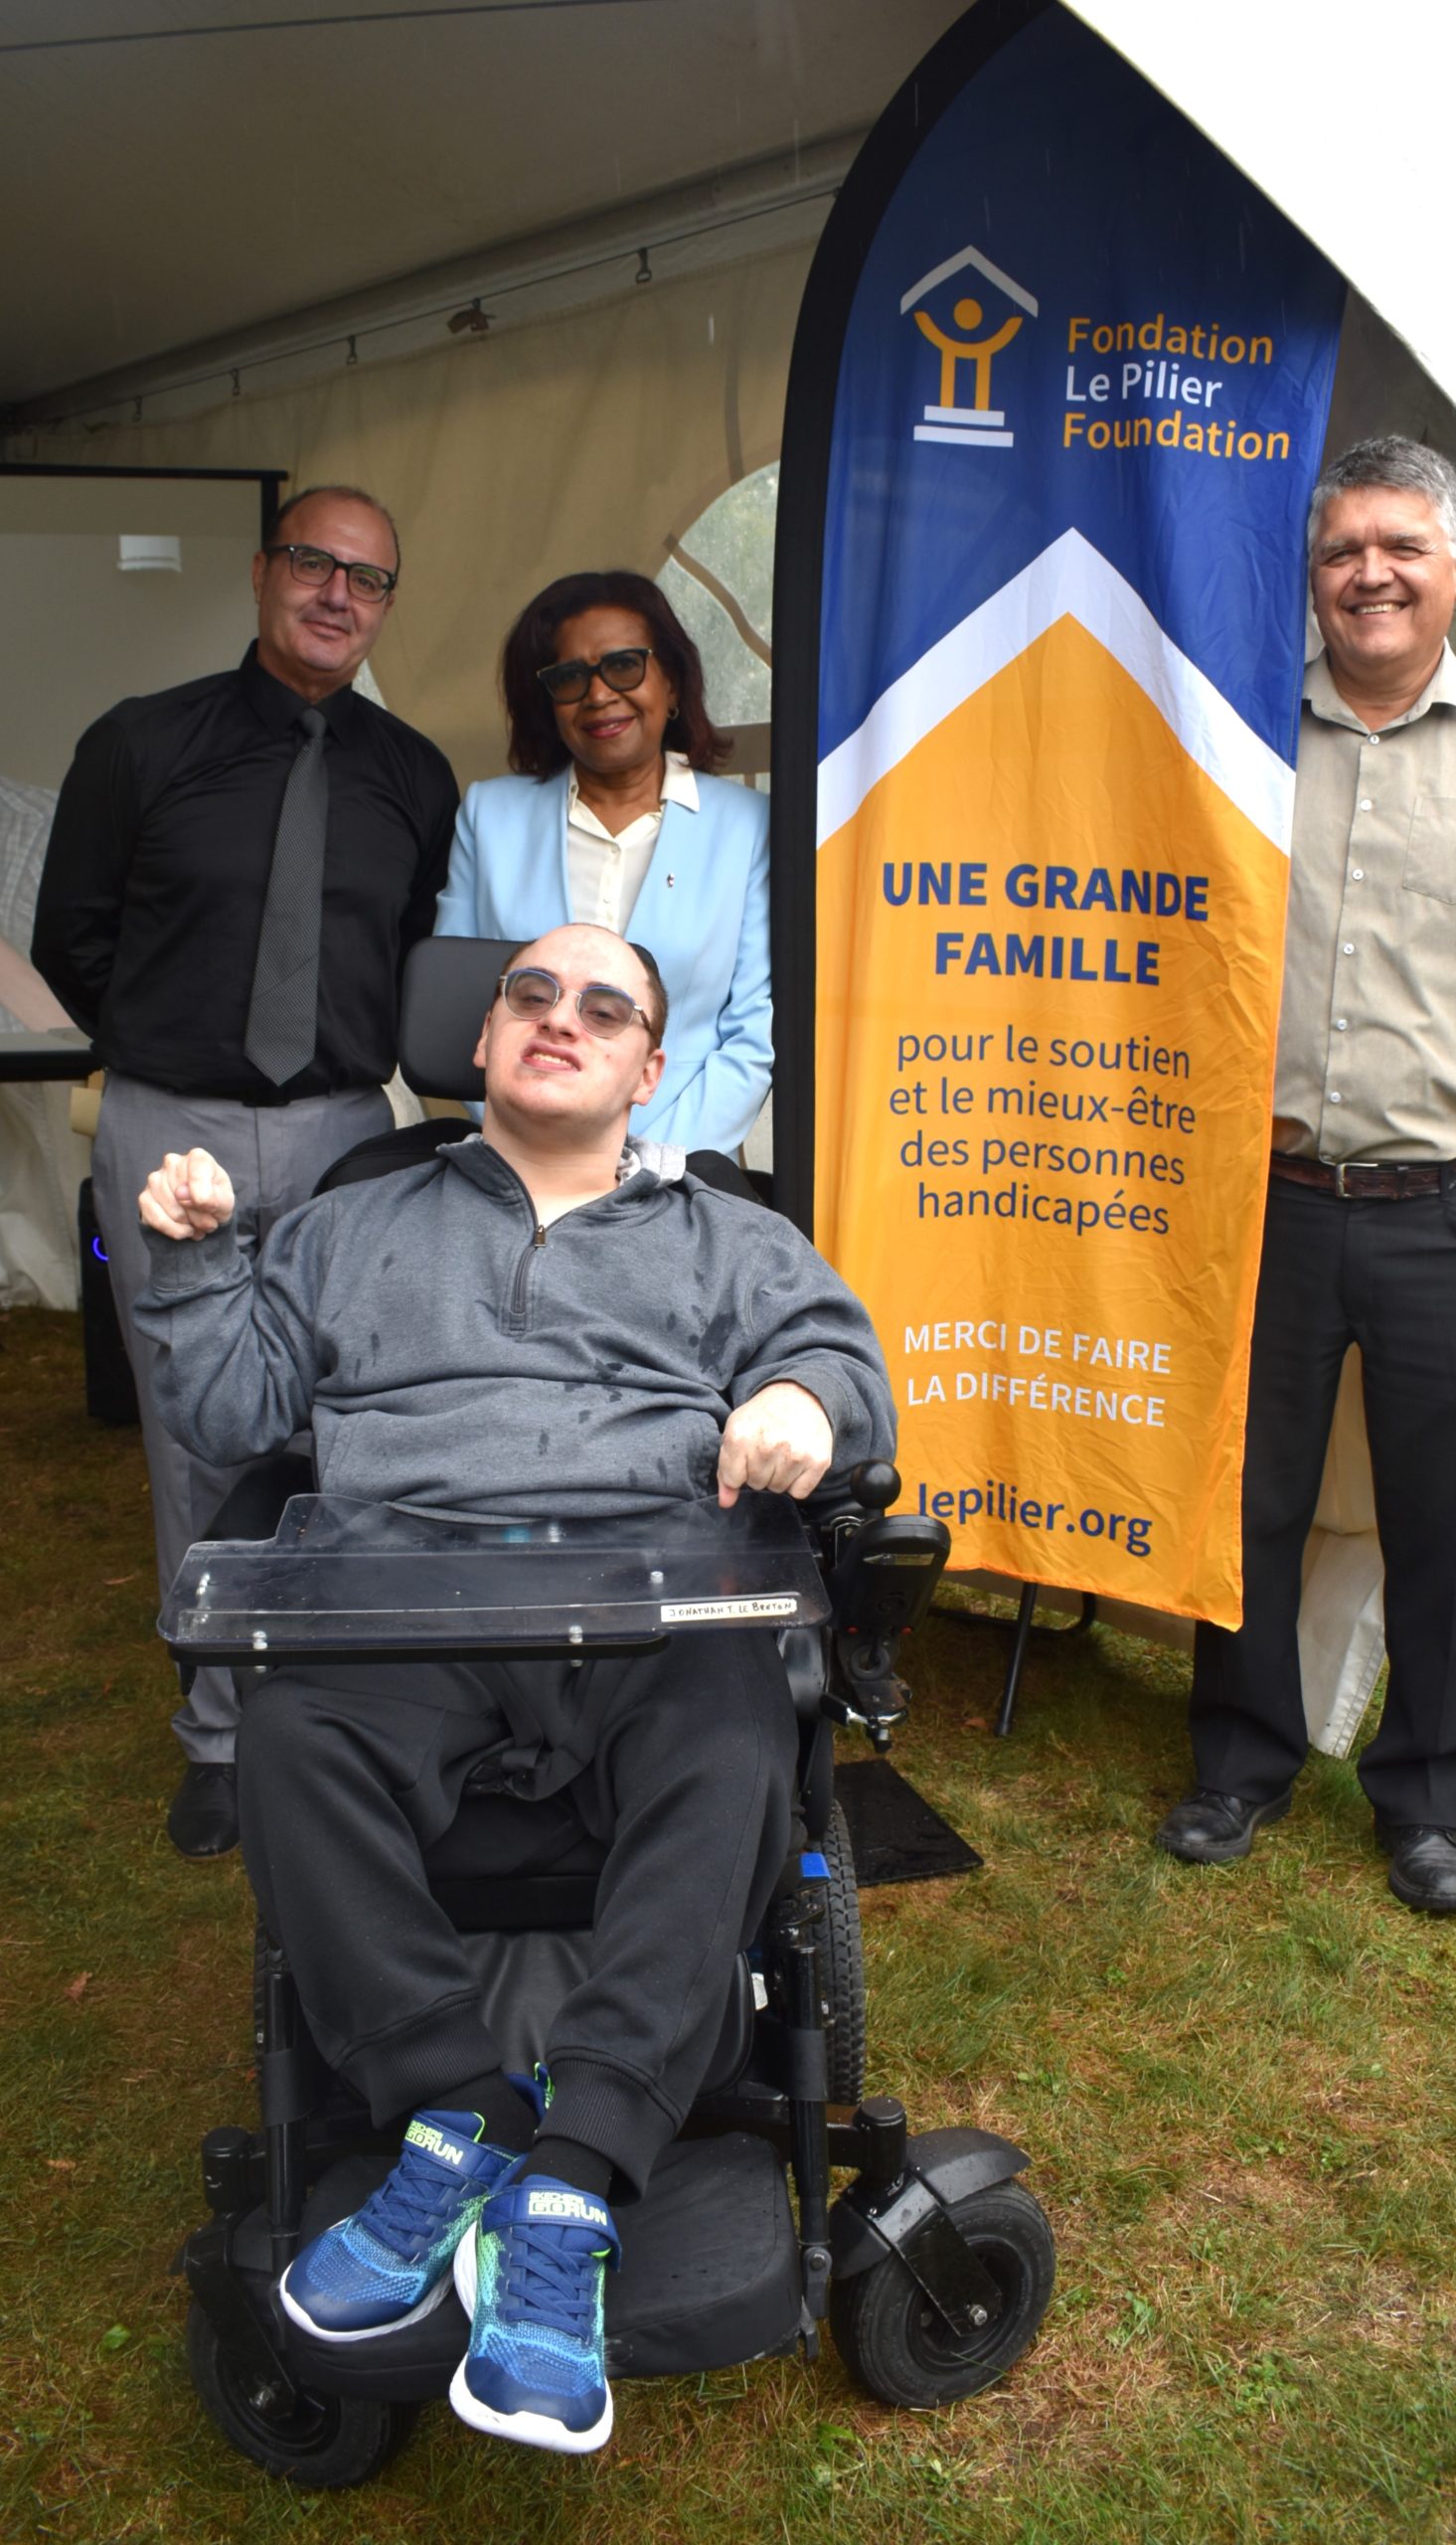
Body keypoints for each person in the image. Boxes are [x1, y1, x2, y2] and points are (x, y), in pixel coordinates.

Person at [130, 922, 892, 2457]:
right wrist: (197, 1259)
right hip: (399, 1604)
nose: (561, 1019)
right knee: (286, 1736)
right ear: (481, 1041)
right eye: (530, 995)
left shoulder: (726, 1239)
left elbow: (847, 1372)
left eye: (603, 1008)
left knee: (741, 1732)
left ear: (646, 1068)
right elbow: (225, 1408)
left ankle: (580, 2167)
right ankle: (459, 2107)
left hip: (651, 1605)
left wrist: (807, 1398)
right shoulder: (357, 1220)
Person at [1156, 435, 1456, 1916]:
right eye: (1337, 551)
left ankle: (1425, 1801)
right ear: (1311, 579)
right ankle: (1238, 1763)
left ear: (1453, 569)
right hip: (1272, 1200)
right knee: (1250, 1500)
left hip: (1453, 1205)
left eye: (1396, 548)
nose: (1365, 574)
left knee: (1444, 1514)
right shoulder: (1239, 734)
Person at [32, 485, 457, 1859]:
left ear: (387, 604)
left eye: (369, 579)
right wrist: (177, 1048)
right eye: (315, 565)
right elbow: (71, 939)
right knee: (196, 1430)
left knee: (340, 1422)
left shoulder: (411, 772)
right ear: (264, 571)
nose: (339, 594)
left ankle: (335, 1709)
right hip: (176, 1129)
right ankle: (217, 1735)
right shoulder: (139, 745)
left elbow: (406, 947)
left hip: (345, 1131)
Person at [434, 569, 770, 1162]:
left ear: (672, 683)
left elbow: (754, 1031)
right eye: (570, 677)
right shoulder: (489, 817)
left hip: (686, 1167)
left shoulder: (748, 827)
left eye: (624, 666)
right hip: (519, 1162)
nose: (597, 694)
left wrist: (648, 1163)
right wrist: (532, 1140)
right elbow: (462, 1009)